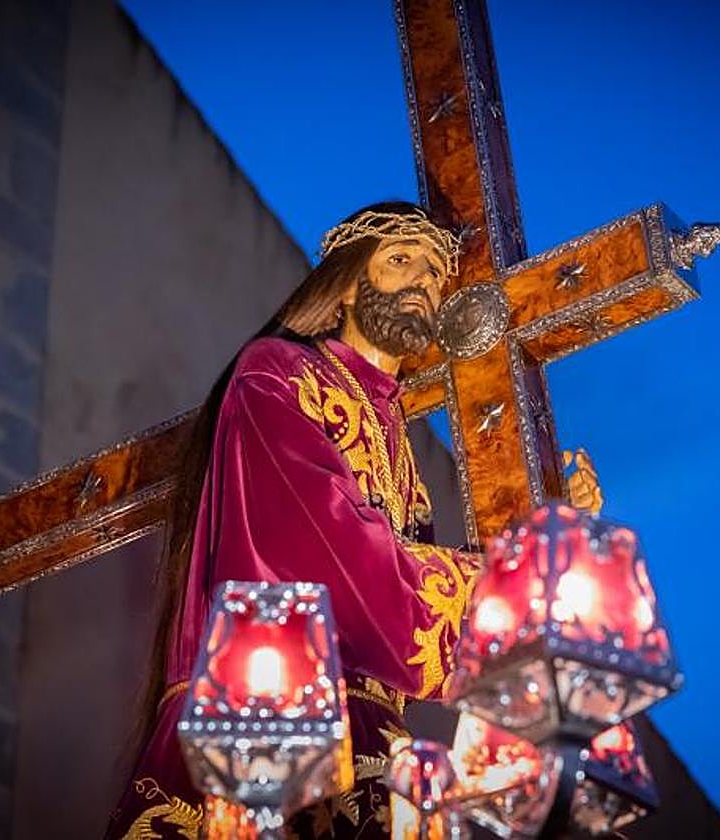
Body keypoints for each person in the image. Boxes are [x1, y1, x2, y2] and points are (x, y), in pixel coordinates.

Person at [106, 202, 480, 839]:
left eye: (438, 272)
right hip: (265, 718)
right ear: (343, 285)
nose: (425, 279)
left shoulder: (402, 444)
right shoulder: (278, 375)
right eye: (400, 260)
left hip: (380, 751)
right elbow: (328, 550)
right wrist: (504, 591)